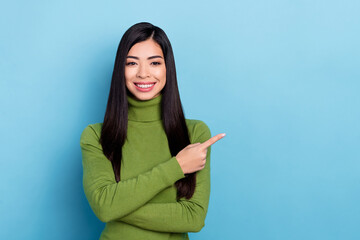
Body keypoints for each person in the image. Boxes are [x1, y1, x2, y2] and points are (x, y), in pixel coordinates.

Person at [80, 22, 225, 240]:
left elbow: (193, 217)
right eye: (131, 63)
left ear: (168, 68)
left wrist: (117, 204)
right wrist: (177, 166)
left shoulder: (195, 134)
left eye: (155, 63)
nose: (143, 73)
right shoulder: (96, 136)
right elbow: (104, 207)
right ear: (121, 69)